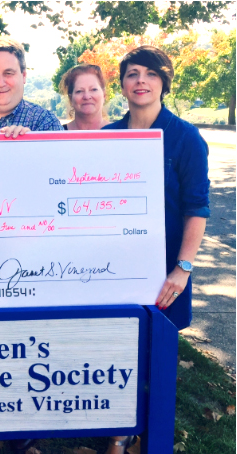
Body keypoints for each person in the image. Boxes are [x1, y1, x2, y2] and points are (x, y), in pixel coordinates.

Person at [103, 45, 210, 454]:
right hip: (113, 266)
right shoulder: (109, 137)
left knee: (156, 352)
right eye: (132, 74)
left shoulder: (184, 137)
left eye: (150, 74)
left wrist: (182, 269)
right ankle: (119, 432)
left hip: (166, 266)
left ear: (163, 81)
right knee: (119, 348)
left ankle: (152, 429)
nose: (141, 81)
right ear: (124, 84)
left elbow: (196, 208)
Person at [60, 64, 109, 130]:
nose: (87, 96)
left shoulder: (119, 135)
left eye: (93, 89)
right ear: (70, 98)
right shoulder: (58, 135)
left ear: (104, 94)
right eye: (79, 91)